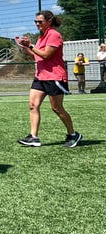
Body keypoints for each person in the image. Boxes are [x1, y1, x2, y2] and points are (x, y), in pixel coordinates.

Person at [14, 11, 83, 148]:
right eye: (36, 22)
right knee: (33, 105)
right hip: (40, 76)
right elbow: (36, 56)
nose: (37, 24)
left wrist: (31, 45)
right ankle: (34, 137)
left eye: (40, 21)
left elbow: (46, 55)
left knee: (56, 108)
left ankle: (73, 134)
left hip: (54, 77)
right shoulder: (42, 37)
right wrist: (23, 46)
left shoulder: (54, 35)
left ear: (49, 21)